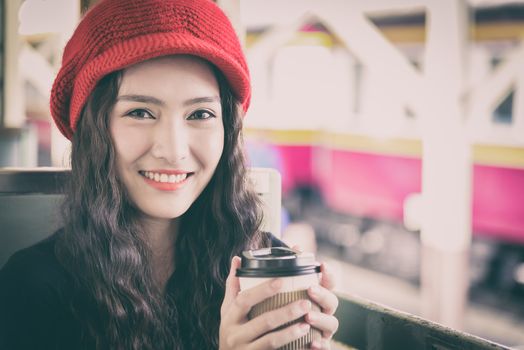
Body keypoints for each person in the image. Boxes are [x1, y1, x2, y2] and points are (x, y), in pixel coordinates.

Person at [0, 0, 339, 349]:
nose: (174, 149)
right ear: (93, 131)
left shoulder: (264, 272)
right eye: (141, 112)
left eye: (200, 114)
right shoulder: (30, 288)